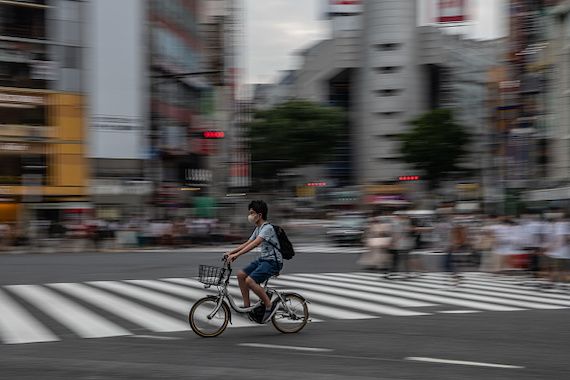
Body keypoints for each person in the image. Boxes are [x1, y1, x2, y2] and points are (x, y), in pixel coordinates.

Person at [224, 200, 282, 323]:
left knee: (250, 281)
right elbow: (248, 243)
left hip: (273, 262)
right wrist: (231, 252)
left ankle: (268, 305)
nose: (249, 216)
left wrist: (237, 255)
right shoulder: (258, 228)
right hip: (264, 260)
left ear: (259, 215)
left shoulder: (267, 228)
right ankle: (247, 307)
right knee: (241, 275)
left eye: (252, 213)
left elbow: (255, 244)